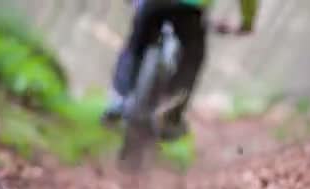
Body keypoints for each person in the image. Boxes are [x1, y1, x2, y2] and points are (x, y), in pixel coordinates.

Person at [101, 0, 259, 140]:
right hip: (189, 10)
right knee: (192, 59)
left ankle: (118, 101)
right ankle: (171, 115)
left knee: (134, 49)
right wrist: (247, 22)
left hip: (153, 4)